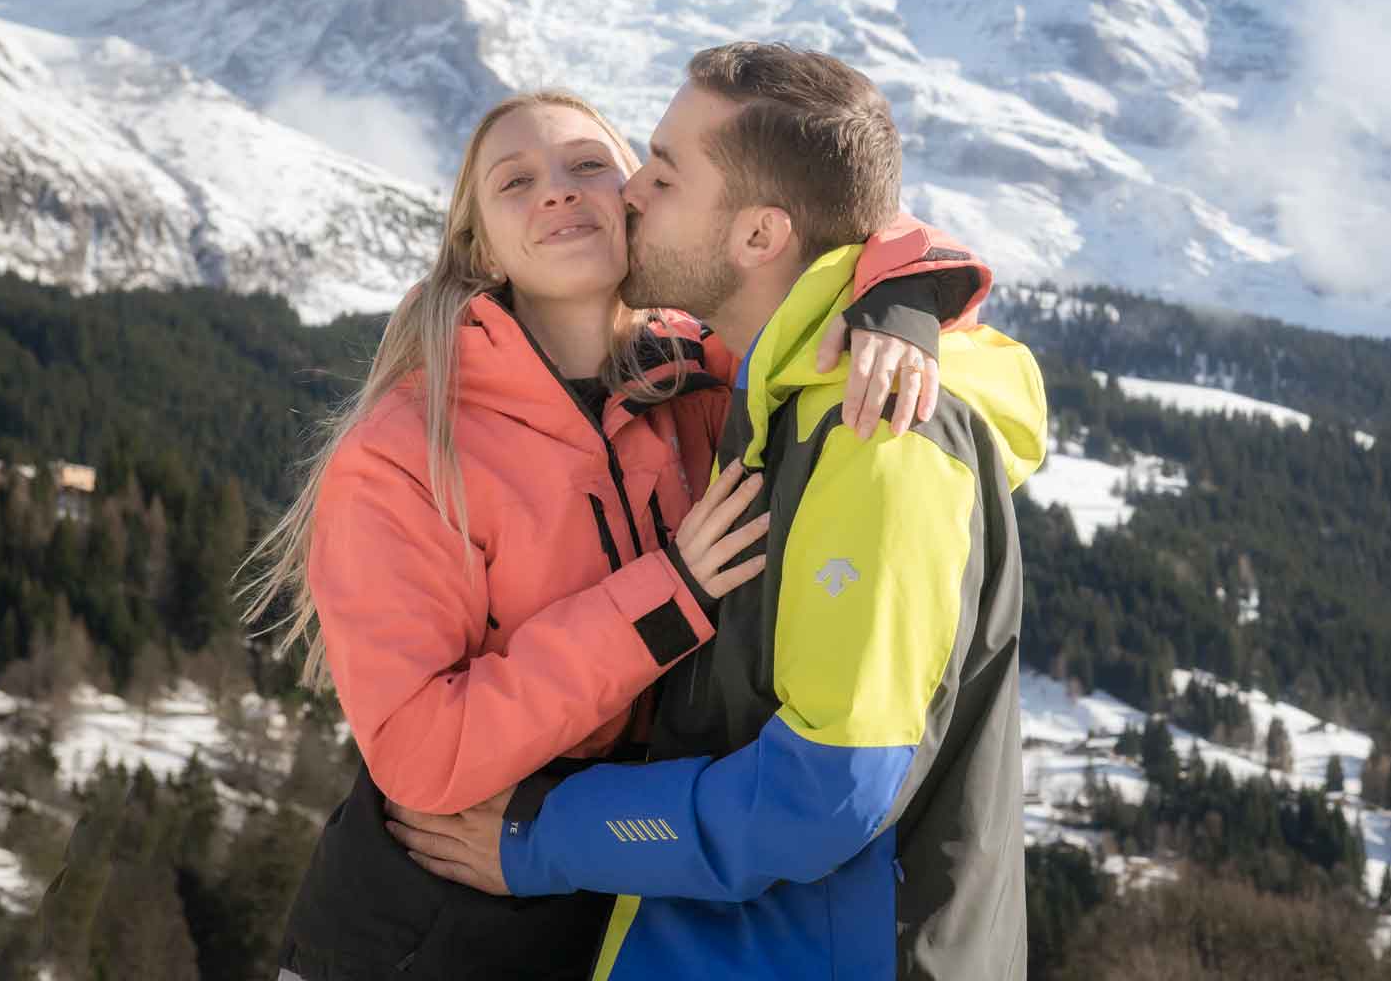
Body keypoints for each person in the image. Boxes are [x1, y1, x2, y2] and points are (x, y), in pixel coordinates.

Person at [245, 87, 987, 981]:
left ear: (638, 199)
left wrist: (904, 303)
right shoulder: (408, 452)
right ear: (480, 245)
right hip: (432, 914)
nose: (557, 191)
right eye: (515, 181)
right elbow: (419, 752)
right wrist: (666, 599)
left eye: (588, 165)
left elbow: (836, 222)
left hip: (626, 876)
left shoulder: (710, 376)